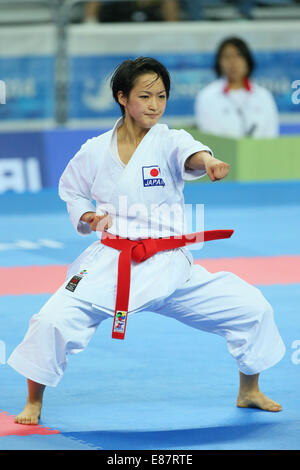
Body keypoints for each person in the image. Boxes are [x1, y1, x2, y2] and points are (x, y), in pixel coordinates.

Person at [8, 57, 285, 425]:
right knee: (51, 321)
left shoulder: (169, 139)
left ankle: (249, 390)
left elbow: (192, 154)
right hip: (112, 262)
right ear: (123, 98)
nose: (155, 105)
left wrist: (210, 161)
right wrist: (86, 216)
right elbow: (71, 190)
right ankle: (33, 401)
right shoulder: (94, 150)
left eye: (162, 96)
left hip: (169, 263)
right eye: (145, 96)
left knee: (252, 307)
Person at [195, 37, 280, 138]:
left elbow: (271, 135)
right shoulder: (207, 96)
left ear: (247, 60)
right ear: (219, 62)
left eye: (238, 56)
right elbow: (209, 136)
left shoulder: (264, 96)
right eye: (227, 57)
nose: (233, 62)